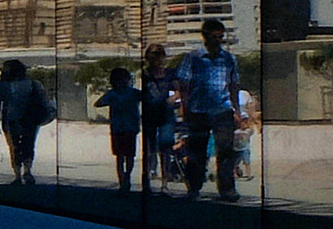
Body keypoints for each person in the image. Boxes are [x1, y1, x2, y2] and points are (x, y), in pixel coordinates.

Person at [175, 18, 243, 202]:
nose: (218, 41)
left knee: (226, 150)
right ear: (205, 37)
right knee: (197, 152)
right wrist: (185, 108)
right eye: (214, 37)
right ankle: (194, 187)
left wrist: (237, 110)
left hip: (222, 109)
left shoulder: (229, 58)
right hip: (198, 110)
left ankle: (227, 189)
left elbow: (233, 85)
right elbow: (184, 84)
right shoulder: (193, 58)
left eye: (221, 37)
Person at [0, 59, 51, 186]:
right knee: (29, 144)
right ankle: (28, 170)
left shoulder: (2, 86)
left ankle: (17, 175)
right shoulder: (33, 83)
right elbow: (44, 100)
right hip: (30, 119)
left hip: (11, 119)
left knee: (14, 147)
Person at [95, 67, 144, 192]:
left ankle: (124, 179)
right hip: (126, 127)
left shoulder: (116, 93)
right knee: (127, 156)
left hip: (121, 127)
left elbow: (98, 103)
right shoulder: (130, 93)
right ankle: (125, 178)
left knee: (122, 156)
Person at [139, 43, 178, 194]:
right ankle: (148, 180)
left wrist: (172, 99)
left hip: (165, 113)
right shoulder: (146, 74)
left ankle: (164, 182)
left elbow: (178, 91)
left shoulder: (169, 73)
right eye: (152, 56)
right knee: (150, 148)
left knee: (165, 145)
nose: (155, 59)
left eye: (158, 55)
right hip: (150, 113)